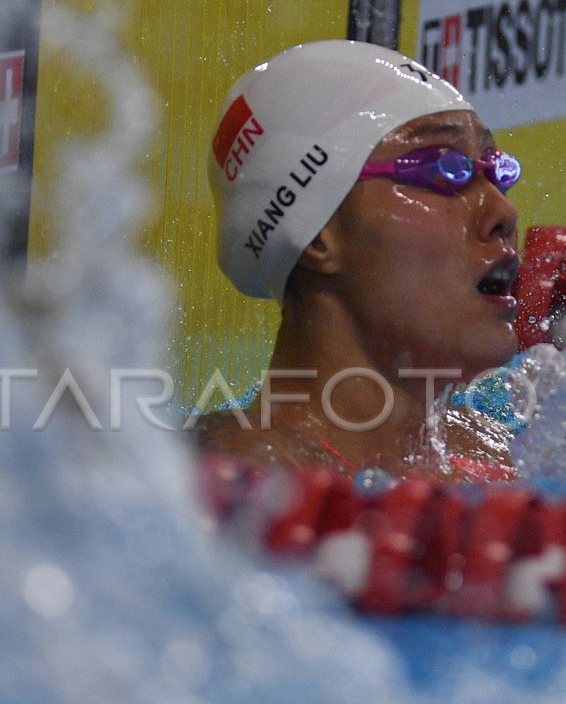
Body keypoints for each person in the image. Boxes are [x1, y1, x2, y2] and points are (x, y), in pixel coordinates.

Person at [195, 40, 522, 481]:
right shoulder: (237, 480)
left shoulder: (497, 450)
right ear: (317, 237)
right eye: (441, 169)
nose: (503, 212)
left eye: (494, 170)